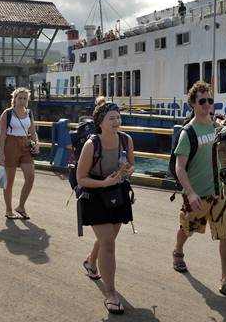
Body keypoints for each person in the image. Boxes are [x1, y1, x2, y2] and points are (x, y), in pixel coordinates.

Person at [172, 81, 226, 302]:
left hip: (221, 194)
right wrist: (191, 193)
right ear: (193, 104)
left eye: (210, 100)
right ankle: (178, 251)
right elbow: (179, 167)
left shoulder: (218, 128)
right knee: (187, 228)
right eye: (202, 101)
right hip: (197, 194)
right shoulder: (189, 132)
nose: (207, 105)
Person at [76, 97, 135, 315]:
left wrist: (126, 171)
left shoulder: (126, 140)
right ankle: (111, 293)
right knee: (108, 242)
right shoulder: (92, 145)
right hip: (94, 195)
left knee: (107, 239)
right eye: (111, 118)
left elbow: (132, 165)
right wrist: (104, 182)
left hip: (118, 194)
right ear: (100, 122)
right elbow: (81, 178)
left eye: (118, 117)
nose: (116, 121)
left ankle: (91, 262)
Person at [0, 88, 40, 220]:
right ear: (14, 99)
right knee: (9, 181)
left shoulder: (29, 113)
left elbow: (32, 131)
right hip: (11, 144)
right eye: (20, 98)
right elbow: (2, 134)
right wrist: (1, 153)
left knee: (30, 177)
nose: (22, 101)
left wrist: (36, 143)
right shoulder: (7, 113)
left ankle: (21, 206)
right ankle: (8, 210)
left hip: (26, 145)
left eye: (25, 98)